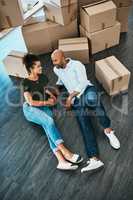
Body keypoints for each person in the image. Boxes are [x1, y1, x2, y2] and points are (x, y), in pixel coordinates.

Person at [51, 50, 120, 173]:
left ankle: (108, 130)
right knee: (83, 124)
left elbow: (82, 83)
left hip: (86, 90)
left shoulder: (77, 65)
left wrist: (70, 97)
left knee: (93, 100)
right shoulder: (56, 69)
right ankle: (94, 159)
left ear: (63, 58)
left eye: (55, 60)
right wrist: (55, 90)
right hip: (76, 98)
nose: (53, 63)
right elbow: (60, 80)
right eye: (52, 60)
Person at [21, 53, 83, 171]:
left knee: (48, 127)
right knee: (49, 122)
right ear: (31, 69)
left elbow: (43, 88)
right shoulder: (25, 83)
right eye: (38, 66)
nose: (41, 68)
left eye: (40, 66)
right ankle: (66, 152)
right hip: (31, 109)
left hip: (44, 107)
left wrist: (51, 96)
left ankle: (61, 161)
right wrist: (46, 103)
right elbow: (30, 102)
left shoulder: (42, 77)